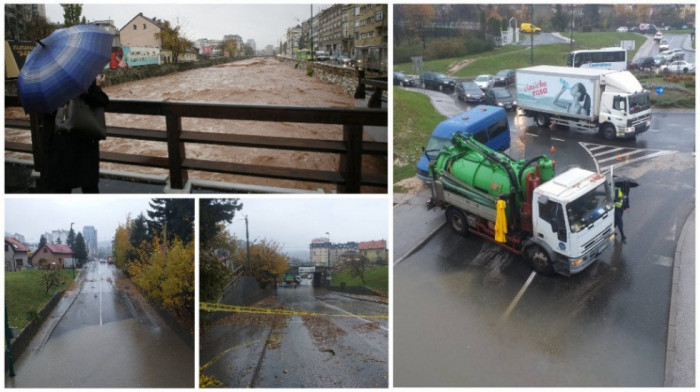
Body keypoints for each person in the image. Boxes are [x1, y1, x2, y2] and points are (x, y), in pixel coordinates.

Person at [40, 74, 109, 193]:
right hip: (81, 137)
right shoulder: (79, 75)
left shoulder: (45, 79)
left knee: (61, 186)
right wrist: (97, 85)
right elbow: (99, 99)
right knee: (89, 185)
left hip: (56, 139)